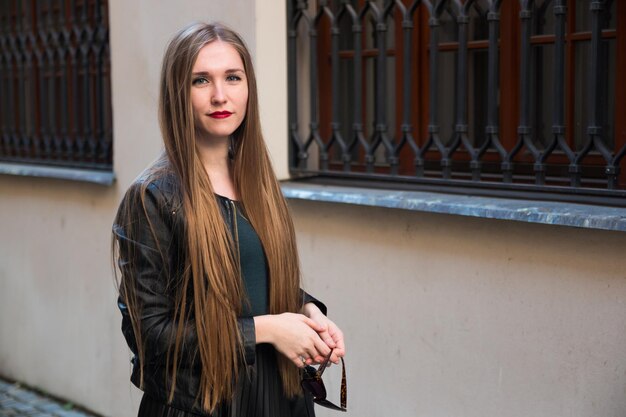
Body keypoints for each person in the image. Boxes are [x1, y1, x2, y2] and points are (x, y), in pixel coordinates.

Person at [112, 22, 345, 417]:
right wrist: (268, 330)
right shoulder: (153, 197)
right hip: (201, 404)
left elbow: (250, 278)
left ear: (248, 86)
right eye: (201, 80)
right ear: (178, 93)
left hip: (280, 397)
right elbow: (150, 337)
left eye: (232, 77)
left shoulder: (257, 180)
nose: (220, 95)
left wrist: (307, 313)